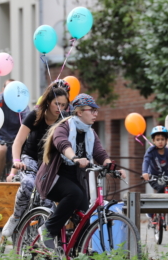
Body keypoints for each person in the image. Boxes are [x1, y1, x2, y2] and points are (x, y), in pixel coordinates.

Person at [35, 93, 126, 249]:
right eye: (91, 110)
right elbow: (62, 144)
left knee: (85, 212)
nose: (95, 114)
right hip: (52, 179)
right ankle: (48, 229)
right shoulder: (63, 127)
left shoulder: (90, 133)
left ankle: (78, 252)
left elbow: (100, 153)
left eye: (96, 110)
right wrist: (75, 158)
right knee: (75, 194)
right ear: (79, 112)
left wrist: (112, 167)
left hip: (75, 181)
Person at [0, 82, 71, 237]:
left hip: (49, 162)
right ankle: (16, 216)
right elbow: (18, 141)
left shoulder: (65, 120)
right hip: (30, 158)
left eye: (63, 105)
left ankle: (44, 238)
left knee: (48, 201)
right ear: (48, 102)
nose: (59, 108)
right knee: (28, 183)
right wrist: (16, 160)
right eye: (56, 104)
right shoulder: (35, 115)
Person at [0, 79, 29, 182]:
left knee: (24, 149)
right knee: (2, 149)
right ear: (3, 89)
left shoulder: (21, 102)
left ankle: (12, 177)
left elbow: (27, 120)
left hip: (15, 136)